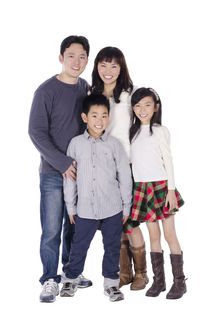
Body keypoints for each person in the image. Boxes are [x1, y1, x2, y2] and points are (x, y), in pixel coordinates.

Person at [28, 35, 92, 303]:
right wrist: (63, 163)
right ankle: (49, 280)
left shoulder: (85, 87)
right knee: (52, 229)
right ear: (61, 57)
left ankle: (70, 273)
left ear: (87, 60)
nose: (76, 62)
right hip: (54, 174)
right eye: (71, 56)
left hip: (80, 174)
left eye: (82, 57)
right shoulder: (46, 91)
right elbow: (36, 133)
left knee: (74, 228)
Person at [62, 94, 132, 302]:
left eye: (103, 116)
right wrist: (70, 206)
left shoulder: (114, 145)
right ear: (85, 117)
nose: (99, 120)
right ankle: (70, 278)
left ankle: (111, 284)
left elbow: (124, 176)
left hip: (112, 208)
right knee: (79, 245)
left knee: (112, 247)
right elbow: (70, 179)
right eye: (94, 115)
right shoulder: (75, 144)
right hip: (84, 209)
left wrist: (126, 206)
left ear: (108, 118)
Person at [90, 46, 148, 291]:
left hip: (128, 167)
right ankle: (124, 273)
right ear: (96, 67)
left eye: (114, 65)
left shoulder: (129, 94)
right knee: (116, 224)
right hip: (103, 169)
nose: (108, 71)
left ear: (121, 68)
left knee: (131, 222)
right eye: (103, 65)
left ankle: (142, 274)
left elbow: (144, 124)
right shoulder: (92, 93)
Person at [125, 87, 187, 299]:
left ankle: (179, 282)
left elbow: (168, 160)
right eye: (138, 105)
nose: (142, 109)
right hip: (142, 188)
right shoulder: (131, 132)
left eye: (147, 105)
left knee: (169, 234)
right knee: (153, 235)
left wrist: (171, 190)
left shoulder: (160, 130)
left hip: (161, 188)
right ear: (133, 108)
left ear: (156, 107)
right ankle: (158, 281)